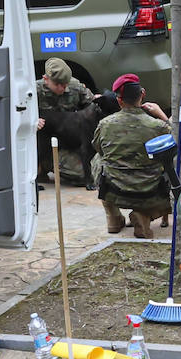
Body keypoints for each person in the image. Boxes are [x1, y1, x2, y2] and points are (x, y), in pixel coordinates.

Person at [93, 73, 172, 239]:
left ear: (119, 100)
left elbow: (98, 148)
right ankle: (144, 214)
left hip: (115, 189)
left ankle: (113, 217)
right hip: (150, 189)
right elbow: (180, 142)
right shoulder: (157, 126)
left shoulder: (105, 124)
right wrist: (162, 115)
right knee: (171, 162)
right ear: (142, 94)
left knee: (97, 160)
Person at [36, 58, 95, 184]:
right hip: (45, 143)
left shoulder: (75, 87)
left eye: (65, 84)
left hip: (70, 140)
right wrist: (32, 121)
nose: (62, 88)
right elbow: (16, 116)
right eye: (57, 84)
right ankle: (42, 166)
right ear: (46, 79)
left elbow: (93, 107)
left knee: (87, 174)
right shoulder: (34, 91)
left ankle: (50, 165)